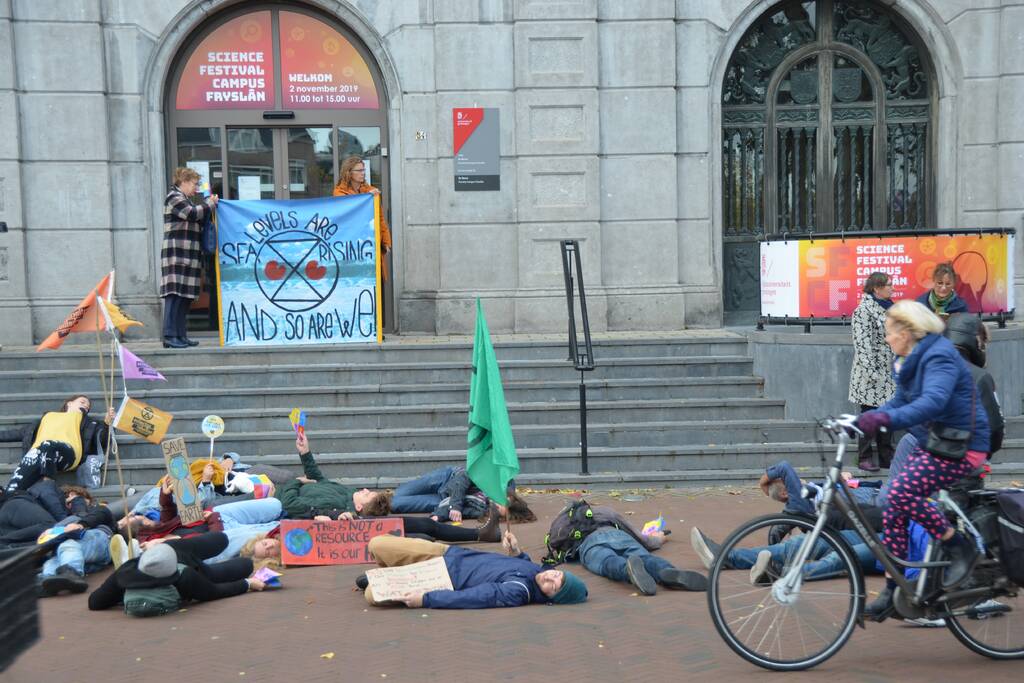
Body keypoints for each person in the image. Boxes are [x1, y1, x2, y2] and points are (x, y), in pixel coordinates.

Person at [856, 300, 990, 619]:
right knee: (893, 505)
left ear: (907, 331)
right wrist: (859, 419)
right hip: (939, 442)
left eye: (890, 332)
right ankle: (893, 589)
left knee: (901, 493)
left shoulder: (939, 355)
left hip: (964, 444)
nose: (887, 338)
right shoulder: (905, 361)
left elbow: (932, 402)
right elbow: (900, 401)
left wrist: (884, 421)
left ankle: (958, 545)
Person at [359, 531, 588, 609]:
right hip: (445, 554)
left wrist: (426, 599)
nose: (549, 577)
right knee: (377, 544)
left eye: (553, 586)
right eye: (557, 575)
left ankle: (386, 574)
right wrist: (517, 551)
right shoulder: (537, 570)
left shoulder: (518, 592)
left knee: (372, 595)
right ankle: (389, 568)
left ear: (548, 598)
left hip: (437, 577)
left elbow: (475, 597)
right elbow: (525, 566)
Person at [88, 532, 264, 612]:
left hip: (141, 570)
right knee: (244, 564)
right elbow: (214, 592)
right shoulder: (185, 574)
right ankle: (166, 544)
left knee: (220, 541)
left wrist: (124, 592)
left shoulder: (125, 572)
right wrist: (248, 583)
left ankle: (158, 547)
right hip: (193, 567)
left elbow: (94, 602)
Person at [1, 395, 114, 493]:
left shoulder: (89, 422)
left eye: (88, 407)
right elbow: (15, 434)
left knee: (48, 444)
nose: (86, 406)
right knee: (13, 487)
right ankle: (9, 495)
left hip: (69, 453)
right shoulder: (47, 417)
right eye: (82, 402)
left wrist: (106, 424)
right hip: (38, 453)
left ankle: (48, 482)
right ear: (69, 403)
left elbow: (104, 441)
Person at [160, 166, 218, 349]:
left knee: (185, 298)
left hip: (187, 254)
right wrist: (209, 203)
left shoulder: (185, 199)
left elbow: (197, 217)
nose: (196, 188)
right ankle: (170, 336)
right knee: (174, 295)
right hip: (176, 254)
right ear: (183, 182)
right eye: (194, 184)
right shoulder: (174, 197)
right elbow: (191, 214)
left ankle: (180, 335)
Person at [848, 271, 897, 471]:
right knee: (869, 415)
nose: (892, 288)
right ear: (876, 288)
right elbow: (862, 345)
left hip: (889, 372)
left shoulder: (892, 308)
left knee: (887, 416)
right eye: (888, 285)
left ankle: (887, 456)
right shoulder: (863, 311)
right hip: (870, 375)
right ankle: (864, 457)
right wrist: (873, 374)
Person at [577, 525, 706, 596]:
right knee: (645, 558)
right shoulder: (607, 513)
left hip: (590, 543)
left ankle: (627, 571)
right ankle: (665, 570)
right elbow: (636, 533)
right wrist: (658, 539)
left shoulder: (566, 523)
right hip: (618, 535)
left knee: (608, 561)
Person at [385, 465, 537, 524]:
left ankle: (369, 504)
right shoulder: (504, 482)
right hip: (449, 478)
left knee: (395, 504)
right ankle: (366, 497)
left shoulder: (485, 511)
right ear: (510, 498)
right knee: (400, 492)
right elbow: (466, 476)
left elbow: (461, 511)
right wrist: (455, 506)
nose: (495, 504)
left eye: (498, 510)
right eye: (500, 503)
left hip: (445, 498)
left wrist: (438, 516)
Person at [37, 486, 115, 597]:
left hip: (100, 537)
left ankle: (72, 575)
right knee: (54, 560)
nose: (72, 504)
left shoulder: (98, 508)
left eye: (74, 499)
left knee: (68, 545)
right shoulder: (66, 519)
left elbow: (98, 515)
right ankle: (47, 581)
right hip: (87, 558)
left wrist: (80, 524)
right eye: (68, 503)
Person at [943, 313, 1004, 456]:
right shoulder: (979, 377)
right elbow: (994, 427)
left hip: (924, 459)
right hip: (964, 460)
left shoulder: (927, 369)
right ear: (977, 342)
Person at [333, 156, 392, 279]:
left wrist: (386, 241)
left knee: (375, 283)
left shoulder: (370, 191)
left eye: (363, 170)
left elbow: (380, 218)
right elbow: (346, 211)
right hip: (353, 245)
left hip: (370, 244)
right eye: (359, 170)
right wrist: (365, 199)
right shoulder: (339, 192)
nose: (363, 173)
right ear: (349, 172)